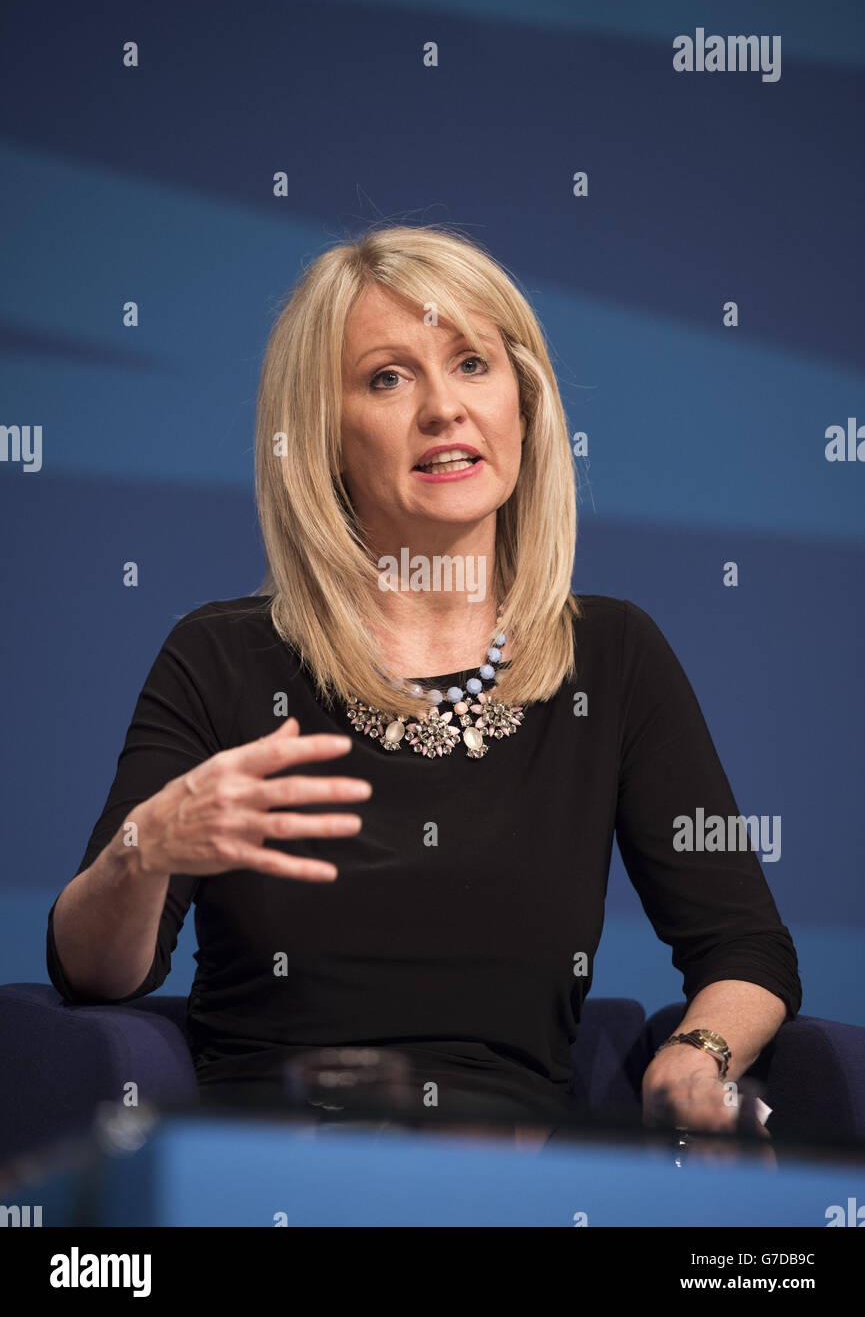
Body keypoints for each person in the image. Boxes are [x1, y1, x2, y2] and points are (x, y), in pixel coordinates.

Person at [46, 223, 801, 1148]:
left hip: (518, 1183)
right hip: (274, 1167)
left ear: (524, 402)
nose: (443, 408)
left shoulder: (611, 656)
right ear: (322, 438)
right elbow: (93, 975)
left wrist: (695, 1055)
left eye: (472, 363)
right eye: (387, 377)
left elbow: (747, 951)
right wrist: (145, 848)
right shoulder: (224, 657)